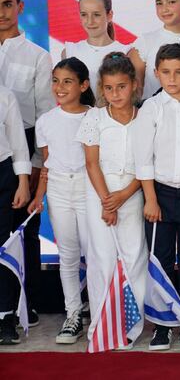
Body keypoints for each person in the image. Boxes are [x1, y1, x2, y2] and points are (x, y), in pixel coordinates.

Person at [133, 44, 180, 351]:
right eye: (166, 72)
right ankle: (163, 325)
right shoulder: (151, 108)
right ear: (156, 73)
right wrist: (150, 199)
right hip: (160, 194)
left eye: (179, 72)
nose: (172, 78)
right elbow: (143, 158)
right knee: (160, 260)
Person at [77, 53, 147, 349]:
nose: (115, 94)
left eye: (121, 87)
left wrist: (125, 195)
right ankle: (102, 324)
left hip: (132, 192)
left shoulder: (145, 117)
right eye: (108, 88)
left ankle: (130, 325)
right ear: (101, 89)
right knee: (102, 258)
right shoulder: (94, 118)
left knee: (134, 256)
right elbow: (91, 162)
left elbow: (147, 163)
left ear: (134, 85)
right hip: (100, 193)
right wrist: (108, 201)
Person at [0, 0, 55, 329]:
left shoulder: (38, 57)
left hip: (25, 147)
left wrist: (36, 167)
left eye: (7, 4)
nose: (1, 12)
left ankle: (27, 303)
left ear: (20, 6)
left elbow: (45, 115)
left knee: (24, 231)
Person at [28, 58, 94, 345]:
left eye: (68, 81)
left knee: (95, 253)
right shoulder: (46, 121)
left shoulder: (95, 117)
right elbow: (47, 163)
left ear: (84, 85)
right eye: (55, 81)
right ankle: (73, 314)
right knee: (67, 254)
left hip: (89, 189)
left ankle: (99, 312)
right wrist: (38, 196)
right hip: (58, 190)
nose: (59, 87)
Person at [0, 84, 31, 345]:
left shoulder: (4, 95)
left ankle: (5, 316)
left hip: (2, 174)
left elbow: (18, 142)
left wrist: (23, 181)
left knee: (2, 247)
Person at [63, 0, 131, 93]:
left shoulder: (126, 52)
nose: (90, 21)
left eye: (96, 15)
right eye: (84, 14)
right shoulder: (69, 51)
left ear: (109, 15)